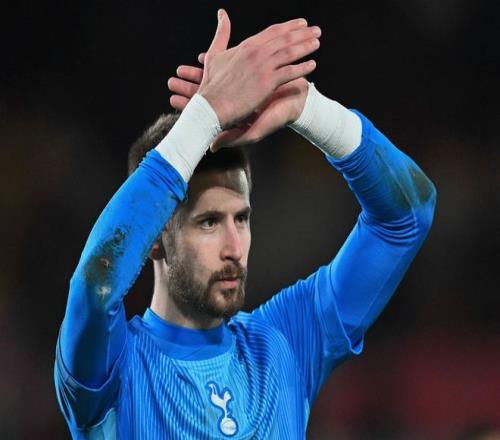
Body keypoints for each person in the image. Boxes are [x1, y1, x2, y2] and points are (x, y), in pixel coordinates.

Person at [54, 9, 436, 439]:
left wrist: (309, 109)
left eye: (242, 218)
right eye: (209, 223)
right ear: (156, 239)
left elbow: (408, 214)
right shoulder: (113, 369)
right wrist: (205, 116)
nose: (234, 247)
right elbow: (96, 286)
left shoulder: (285, 342)